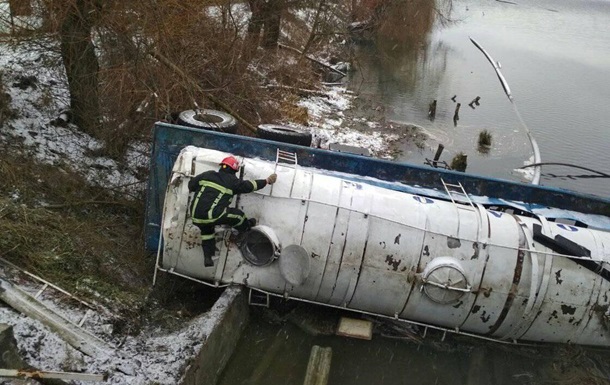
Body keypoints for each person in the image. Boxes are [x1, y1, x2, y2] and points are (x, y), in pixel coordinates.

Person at [188, 155, 277, 267]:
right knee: (238, 216)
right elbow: (249, 186)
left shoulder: (207, 174)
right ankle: (245, 228)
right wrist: (267, 181)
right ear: (234, 170)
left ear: (222, 167)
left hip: (195, 215)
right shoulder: (232, 181)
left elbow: (191, 185)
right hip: (211, 215)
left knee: (207, 231)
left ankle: (208, 257)